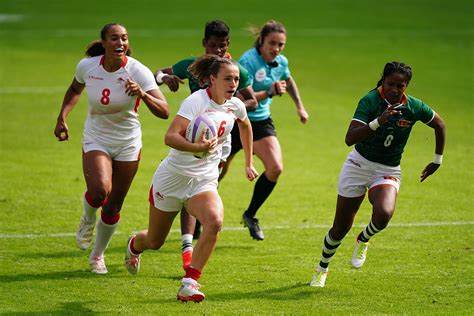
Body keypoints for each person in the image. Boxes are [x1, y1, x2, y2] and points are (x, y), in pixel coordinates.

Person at [124, 55, 258, 302]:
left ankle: (190, 283)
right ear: (212, 79)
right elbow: (170, 137)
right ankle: (134, 244)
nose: (233, 83)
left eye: (236, 79)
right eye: (227, 78)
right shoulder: (196, 101)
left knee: (215, 222)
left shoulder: (235, 105)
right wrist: (195, 147)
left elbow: (246, 126)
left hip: (203, 180)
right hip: (173, 178)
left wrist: (248, 163)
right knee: (155, 240)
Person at [310, 61, 446, 288]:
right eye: (390, 83)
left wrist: (437, 161)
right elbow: (349, 138)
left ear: (406, 87)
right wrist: (378, 122)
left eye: (400, 86)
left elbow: (440, 125)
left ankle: (363, 239)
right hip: (358, 165)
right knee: (339, 228)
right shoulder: (370, 101)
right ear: (383, 81)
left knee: (383, 213)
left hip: (387, 170)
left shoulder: (413, 107)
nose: (394, 89)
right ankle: (322, 268)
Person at [53, 23, 169, 274]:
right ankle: (87, 219)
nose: (121, 42)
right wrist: (62, 116)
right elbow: (75, 88)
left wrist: (143, 94)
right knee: (99, 192)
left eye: (125, 38)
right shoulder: (88, 67)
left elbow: (165, 111)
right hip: (97, 137)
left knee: (114, 205)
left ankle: (97, 256)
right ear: (104, 42)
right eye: (115, 38)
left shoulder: (138, 71)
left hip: (127, 142)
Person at [155, 20, 257, 268]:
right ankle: (149, 244)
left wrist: (228, 106)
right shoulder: (192, 78)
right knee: (155, 238)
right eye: (213, 46)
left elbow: (249, 107)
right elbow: (157, 74)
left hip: (215, 151)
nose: (218, 51)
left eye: (222, 46)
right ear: (204, 45)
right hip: (187, 148)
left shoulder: (235, 72)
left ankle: (189, 256)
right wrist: (163, 78)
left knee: (206, 203)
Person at [220, 20, 309, 240]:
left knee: (275, 168)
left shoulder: (281, 61)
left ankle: (250, 215)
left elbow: (288, 79)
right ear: (262, 41)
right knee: (216, 173)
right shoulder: (248, 62)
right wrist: (268, 91)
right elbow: (239, 98)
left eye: (281, 44)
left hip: (260, 123)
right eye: (272, 43)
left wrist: (299, 106)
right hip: (235, 121)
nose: (276, 49)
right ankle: (195, 217)